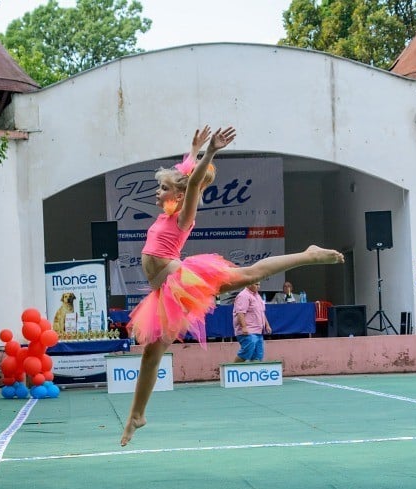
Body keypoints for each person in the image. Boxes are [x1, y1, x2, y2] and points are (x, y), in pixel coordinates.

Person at [121, 126, 344, 446]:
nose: (156, 192)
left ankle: (308, 255)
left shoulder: (183, 217)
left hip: (181, 281)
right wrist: (193, 149)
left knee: (248, 275)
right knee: (151, 354)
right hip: (163, 292)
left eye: (162, 188)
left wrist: (209, 152)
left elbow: (194, 182)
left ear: (179, 196)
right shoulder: (162, 216)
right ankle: (137, 415)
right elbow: (188, 175)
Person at [233, 282, 271, 362]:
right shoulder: (243, 295)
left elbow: (262, 312)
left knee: (258, 355)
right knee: (246, 352)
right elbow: (240, 313)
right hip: (248, 331)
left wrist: (267, 325)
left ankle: (255, 372)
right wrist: (244, 327)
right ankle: (233, 369)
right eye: (256, 284)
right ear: (249, 284)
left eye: (259, 285)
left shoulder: (258, 296)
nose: (258, 287)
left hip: (258, 331)